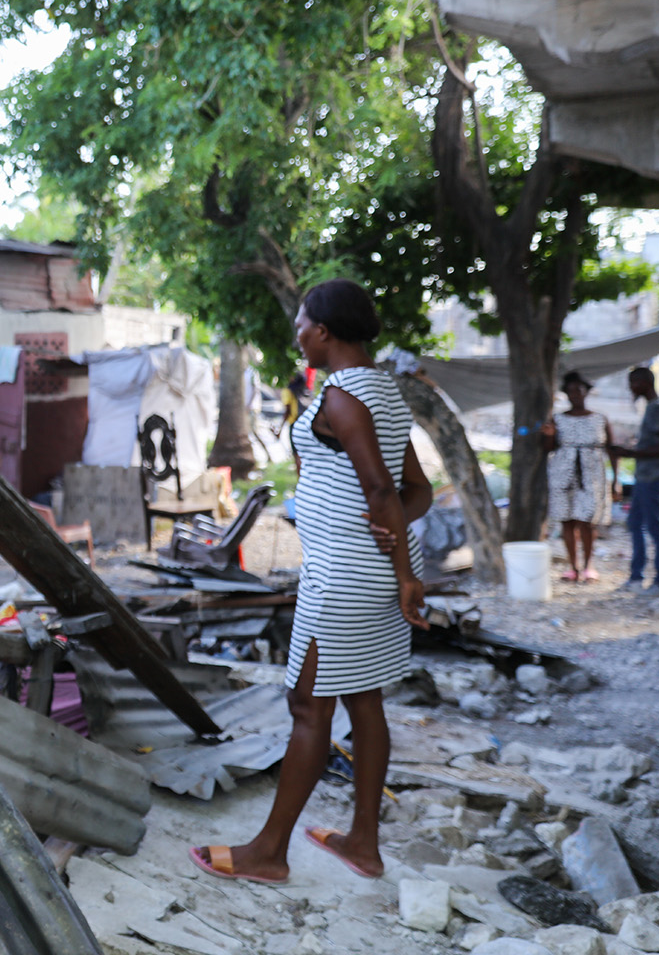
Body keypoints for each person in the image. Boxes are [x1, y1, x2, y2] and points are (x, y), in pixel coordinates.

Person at [190, 279, 430, 884]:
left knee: (308, 708)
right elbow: (414, 493)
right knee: (365, 698)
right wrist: (393, 544)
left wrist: (400, 570)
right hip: (371, 570)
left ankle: (268, 852)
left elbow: (381, 490)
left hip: (345, 576)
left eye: (301, 323)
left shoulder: (342, 398)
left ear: (322, 331)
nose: (297, 333)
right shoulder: (386, 391)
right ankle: (364, 843)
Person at [608, 366, 659, 593]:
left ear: (645, 382)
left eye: (633, 383)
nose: (631, 388)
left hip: (654, 477)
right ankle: (636, 578)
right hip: (645, 476)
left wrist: (631, 453)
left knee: (656, 528)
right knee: (635, 524)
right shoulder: (652, 407)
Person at [542, 370, 612, 582]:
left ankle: (589, 564)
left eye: (578, 390)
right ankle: (573, 566)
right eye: (570, 391)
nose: (575, 394)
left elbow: (612, 450)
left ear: (586, 392)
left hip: (592, 475)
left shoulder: (600, 419)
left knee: (588, 520)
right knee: (568, 520)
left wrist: (616, 480)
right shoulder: (558, 419)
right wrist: (549, 435)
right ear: (566, 393)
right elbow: (548, 448)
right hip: (563, 474)